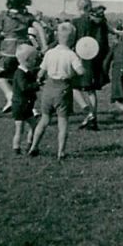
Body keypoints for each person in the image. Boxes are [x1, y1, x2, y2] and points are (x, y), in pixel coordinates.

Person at [28, 22, 84, 160]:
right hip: (63, 88)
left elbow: (41, 73)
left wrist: (40, 79)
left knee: (44, 119)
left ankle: (34, 146)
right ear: (72, 39)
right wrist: (82, 64)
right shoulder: (71, 55)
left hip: (48, 88)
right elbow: (80, 72)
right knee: (63, 122)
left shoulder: (50, 53)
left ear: (57, 36)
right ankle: (61, 151)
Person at [0, 0, 48, 114]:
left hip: (9, 51)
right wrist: (44, 45)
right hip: (25, 51)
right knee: (25, 79)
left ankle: (9, 96)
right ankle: (32, 108)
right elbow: (40, 28)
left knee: (0, 76)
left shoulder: (3, 15)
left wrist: (0, 37)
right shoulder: (27, 16)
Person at [72, 0, 113, 131]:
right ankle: (93, 117)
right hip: (95, 60)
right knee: (91, 90)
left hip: (80, 59)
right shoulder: (101, 22)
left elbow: (71, 39)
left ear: (79, 7)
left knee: (73, 86)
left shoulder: (77, 22)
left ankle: (87, 111)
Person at [11, 44, 41, 154]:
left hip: (27, 106)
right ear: (27, 60)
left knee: (34, 125)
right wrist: (36, 85)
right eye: (34, 59)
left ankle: (30, 144)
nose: (36, 61)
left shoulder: (26, 72)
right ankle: (16, 148)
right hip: (19, 105)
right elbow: (24, 87)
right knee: (20, 128)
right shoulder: (20, 73)